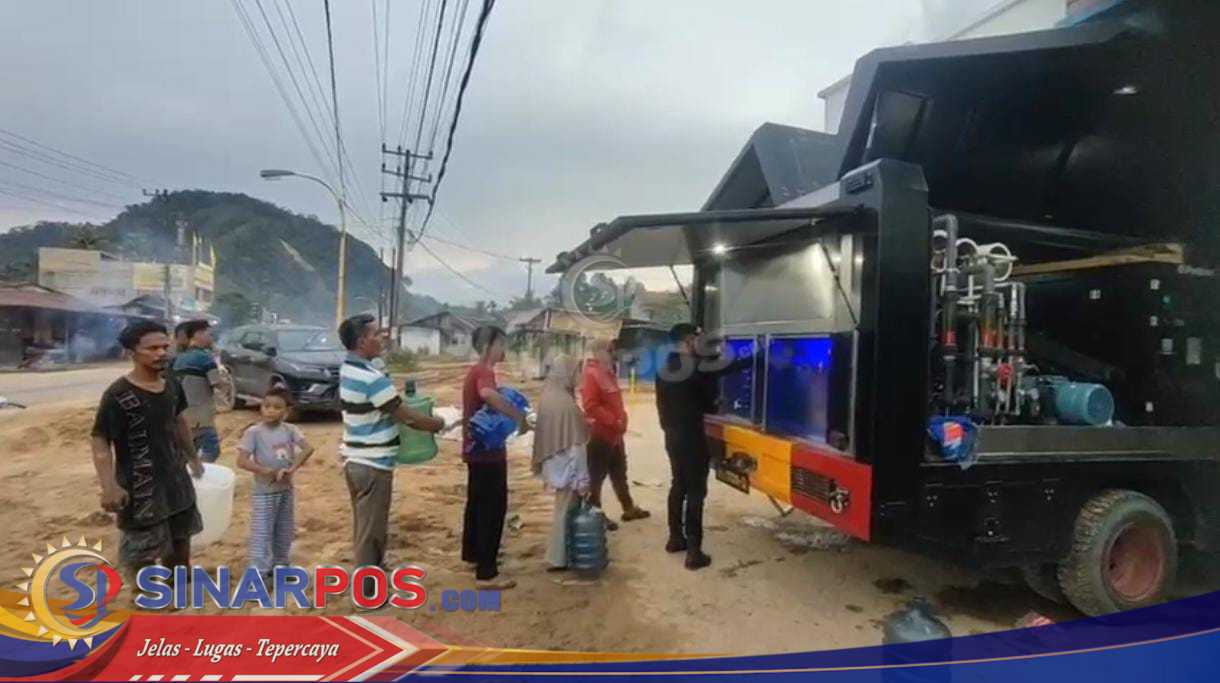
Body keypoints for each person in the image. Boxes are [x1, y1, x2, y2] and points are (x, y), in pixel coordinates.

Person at [337, 313, 445, 602]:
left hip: (355, 459)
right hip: (373, 463)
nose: (381, 339)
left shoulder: (349, 368)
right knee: (370, 531)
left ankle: (373, 575)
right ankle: (367, 594)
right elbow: (406, 416)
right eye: (375, 335)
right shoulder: (371, 378)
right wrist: (436, 423)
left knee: (366, 526)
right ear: (362, 341)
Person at [90, 320, 204, 580]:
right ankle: (145, 597)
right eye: (151, 348)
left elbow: (179, 421)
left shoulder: (172, 385)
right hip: (140, 486)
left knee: (180, 541)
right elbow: (100, 440)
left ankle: (177, 590)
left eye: (164, 347)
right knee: (142, 549)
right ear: (132, 352)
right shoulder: (118, 395)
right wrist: (109, 487)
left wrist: (193, 458)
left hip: (176, 480)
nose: (161, 353)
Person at [655, 323, 749, 570]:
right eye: (698, 338)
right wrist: (761, 355)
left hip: (671, 436)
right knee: (697, 490)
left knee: (679, 484)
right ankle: (694, 552)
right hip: (692, 437)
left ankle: (675, 538)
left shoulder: (665, 368)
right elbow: (727, 371)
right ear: (688, 340)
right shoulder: (695, 367)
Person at [462, 325, 530, 589]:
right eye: (501, 344)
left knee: (477, 505)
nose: (504, 349)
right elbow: (488, 395)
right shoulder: (484, 371)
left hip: (475, 450)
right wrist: (518, 415)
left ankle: (473, 554)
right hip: (486, 451)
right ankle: (487, 571)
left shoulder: (475, 371)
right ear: (488, 346)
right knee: (493, 507)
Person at [236, 387, 315, 578]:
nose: (270, 410)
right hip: (264, 491)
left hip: (285, 488)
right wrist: (267, 471)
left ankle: (281, 565)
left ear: (286, 411)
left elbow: (308, 448)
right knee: (262, 532)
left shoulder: (290, 430)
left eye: (277, 407)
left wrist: (292, 468)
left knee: (284, 529)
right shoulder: (254, 432)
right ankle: (259, 572)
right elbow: (242, 461)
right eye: (266, 406)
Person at [581, 339, 649, 531]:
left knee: (619, 472)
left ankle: (628, 507)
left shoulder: (607, 373)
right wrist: (613, 421)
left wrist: (622, 419)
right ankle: (595, 515)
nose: (614, 354)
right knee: (596, 478)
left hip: (615, 435)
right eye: (610, 350)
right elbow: (590, 406)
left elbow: (614, 402)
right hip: (599, 434)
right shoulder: (592, 375)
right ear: (599, 352)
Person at [531, 354, 591, 572]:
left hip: (556, 467)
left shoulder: (550, 396)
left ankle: (560, 557)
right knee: (565, 513)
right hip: (568, 471)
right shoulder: (567, 406)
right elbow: (577, 447)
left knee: (562, 511)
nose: (579, 376)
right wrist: (583, 479)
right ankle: (559, 558)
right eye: (576, 371)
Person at [172, 320, 223, 463]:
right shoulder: (205, 358)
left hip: (183, 414)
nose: (211, 338)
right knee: (211, 450)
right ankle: (200, 476)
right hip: (201, 416)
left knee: (189, 451)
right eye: (209, 334)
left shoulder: (179, 358)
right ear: (198, 334)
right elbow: (217, 383)